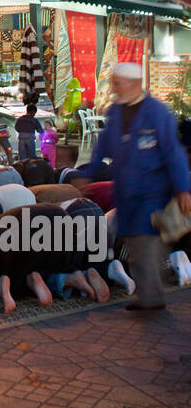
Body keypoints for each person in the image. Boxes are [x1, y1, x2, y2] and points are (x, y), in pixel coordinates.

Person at [71, 61, 191, 310]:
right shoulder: (115, 112)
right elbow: (102, 146)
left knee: (145, 243)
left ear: (135, 84)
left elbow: (173, 153)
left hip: (153, 194)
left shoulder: (157, 113)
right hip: (126, 195)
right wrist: (88, 173)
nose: (114, 87)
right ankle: (151, 293)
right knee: (135, 245)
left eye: (118, 82)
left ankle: (151, 297)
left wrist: (183, 187)